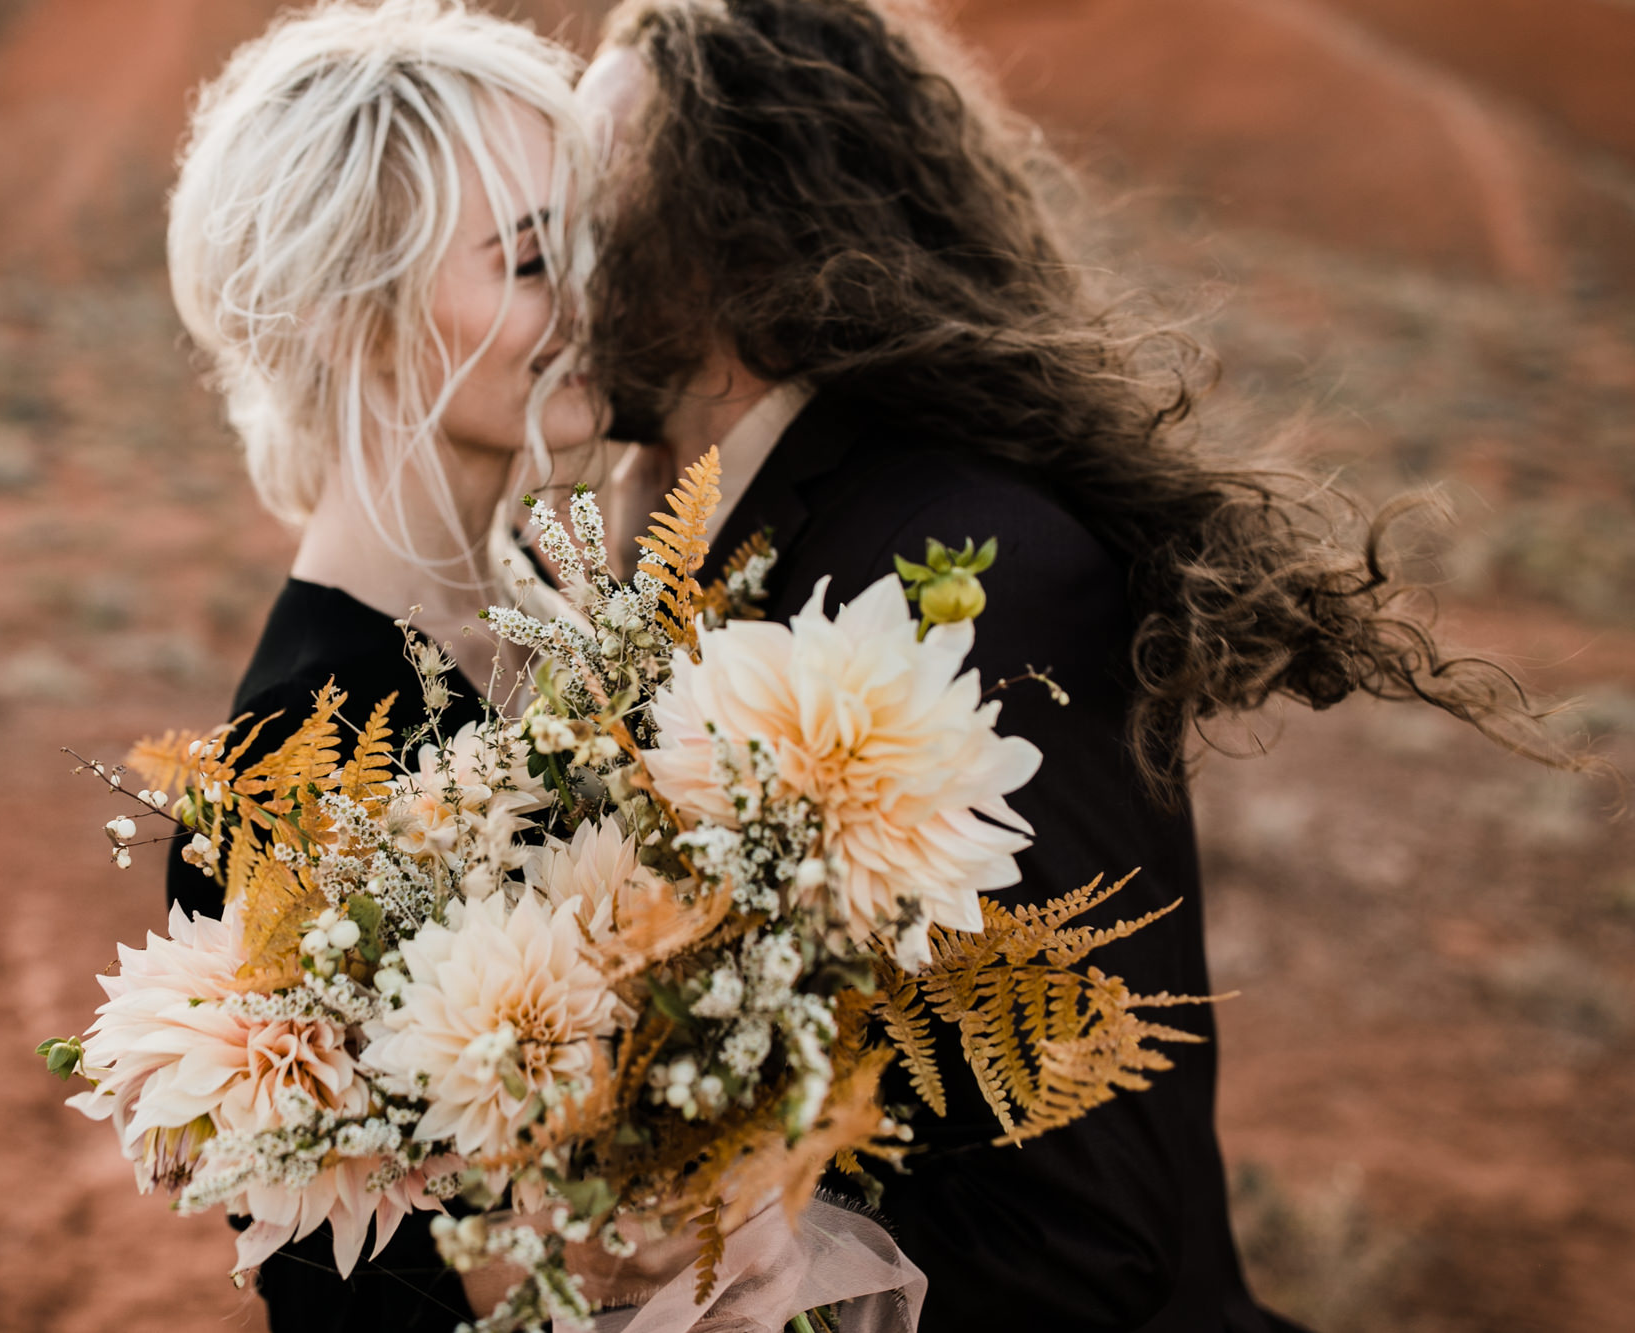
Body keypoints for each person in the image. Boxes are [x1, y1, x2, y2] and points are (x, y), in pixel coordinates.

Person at [577, 0, 1593, 1328]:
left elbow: (1081, 1220)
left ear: (733, 215)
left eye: (584, 182)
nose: (550, 239)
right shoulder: (738, 530)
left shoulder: (966, 569)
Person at [159, 2, 602, 1327]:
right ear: (354, 316)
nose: (590, 302)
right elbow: (357, 1301)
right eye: (530, 262)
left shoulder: (570, 611)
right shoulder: (291, 766)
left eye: (592, 248)